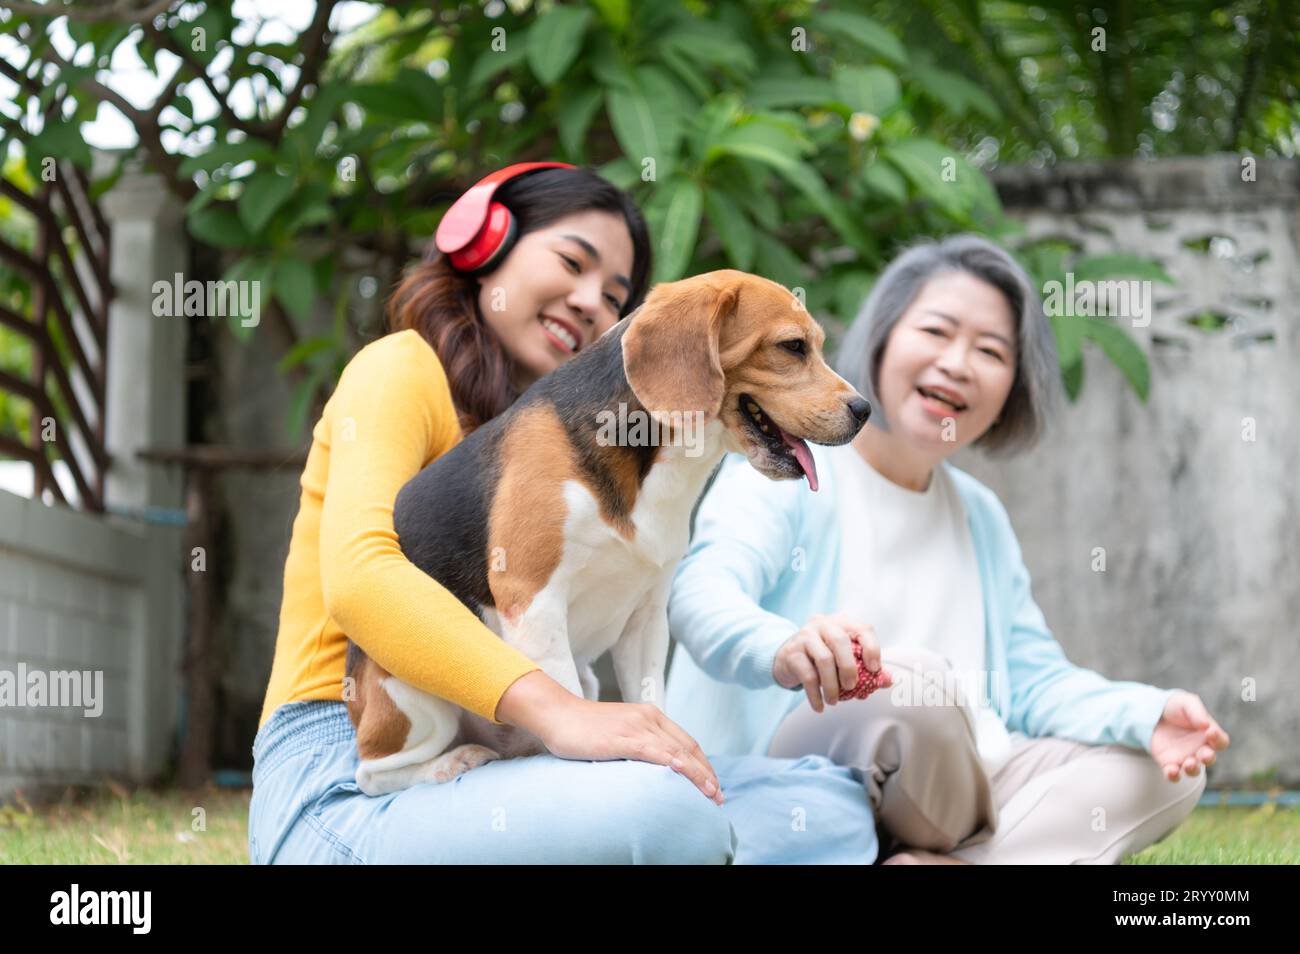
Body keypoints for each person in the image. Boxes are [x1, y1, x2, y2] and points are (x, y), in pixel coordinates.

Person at [247, 163, 879, 864]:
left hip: (505, 751)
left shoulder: (585, 439)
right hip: (341, 777)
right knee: (669, 816)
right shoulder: (398, 367)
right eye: (572, 261)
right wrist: (566, 716)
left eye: (614, 295)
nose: (589, 301)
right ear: (485, 245)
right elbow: (361, 580)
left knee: (833, 805)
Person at [664, 234, 1230, 864]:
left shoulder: (981, 515)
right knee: (913, 686)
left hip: (965, 788)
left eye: (990, 350)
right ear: (883, 337)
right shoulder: (791, 476)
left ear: (1013, 385)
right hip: (802, 784)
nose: (958, 363)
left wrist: (1147, 712)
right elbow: (699, 594)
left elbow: (1036, 682)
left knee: (1157, 768)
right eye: (936, 331)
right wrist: (783, 647)